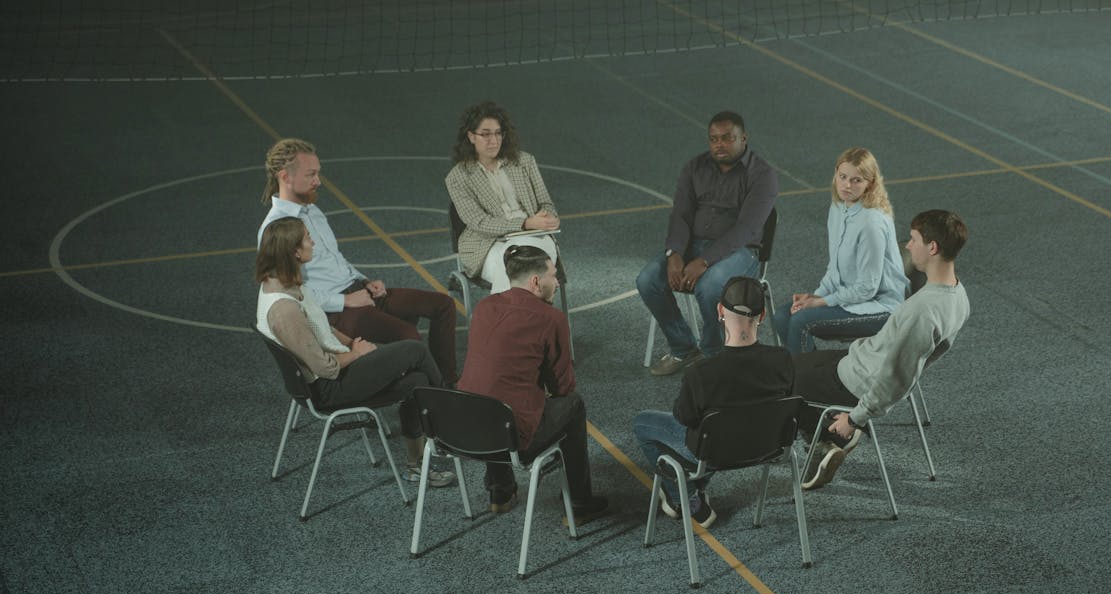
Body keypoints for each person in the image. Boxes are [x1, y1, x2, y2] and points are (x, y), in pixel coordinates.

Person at [255, 217, 454, 487]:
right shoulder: (284, 310)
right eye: (306, 238)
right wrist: (357, 353)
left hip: (335, 366)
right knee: (414, 350)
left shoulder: (286, 282)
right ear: (295, 252)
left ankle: (416, 466)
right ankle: (450, 419)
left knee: (416, 381)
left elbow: (318, 329)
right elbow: (325, 368)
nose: (312, 241)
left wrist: (346, 340)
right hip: (329, 386)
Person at [793, 209, 971, 491]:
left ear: (933, 247)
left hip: (858, 382)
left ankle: (829, 441)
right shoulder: (959, 295)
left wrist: (855, 418)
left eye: (913, 240)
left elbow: (896, 375)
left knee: (778, 384)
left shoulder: (924, 311)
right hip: (862, 361)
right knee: (794, 364)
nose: (908, 246)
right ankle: (827, 431)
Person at [258, 138, 458, 384]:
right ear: (285, 177)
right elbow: (290, 293)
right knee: (409, 337)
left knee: (443, 305)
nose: (318, 181)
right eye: (311, 174)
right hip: (336, 310)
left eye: (318, 173)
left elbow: (335, 259)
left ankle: (448, 385)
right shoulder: (276, 229)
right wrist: (346, 300)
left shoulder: (312, 210)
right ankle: (422, 405)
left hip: (359, 291)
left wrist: (365, 281)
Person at [457, 245, 608, 522]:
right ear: (536, 282)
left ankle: (500, 492)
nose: (558, 280)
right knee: (573, 405)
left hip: (461, 426)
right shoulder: (551, 319)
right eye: (553, 275)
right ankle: (579, 502)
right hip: (509, 435)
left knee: (490, 394)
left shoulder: (485, 306)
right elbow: (563, 387)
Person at [633, 276, 794, 528]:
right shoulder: (783, 360)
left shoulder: (701, 373)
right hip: (768, 447)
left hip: (715, 452)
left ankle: (685, 498)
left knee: (643, 423)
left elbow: (684, 418)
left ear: (719, 310)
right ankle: (695, 488)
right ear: (762, 316)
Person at [636, 111, 779, 375]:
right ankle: (683, 348)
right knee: (647, 280)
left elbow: (746, 230)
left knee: (711, 287)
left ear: (743, 139)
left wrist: (704, 261)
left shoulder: (762, 175)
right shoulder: (694, 167)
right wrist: (675, 254)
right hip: (693, 246)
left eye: (727, 138)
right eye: (713, 139)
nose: (719, 144)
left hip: (741, 252)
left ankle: (714, 355)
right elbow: (680, 214)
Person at [773, 147, 908, 354]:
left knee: (801, 321)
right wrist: (814, 297)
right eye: (843, 176)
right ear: (836, 174)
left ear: (870, 183)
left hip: (879, 307)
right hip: (849, 298)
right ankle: (812, 375)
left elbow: (867, 288)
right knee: (783, 316)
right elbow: (834, 269)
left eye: (857, 180)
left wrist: (821, 302)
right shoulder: (838, 208)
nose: (847, 185)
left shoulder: (871, 223)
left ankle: (803, 383)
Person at [445, 101, 561, 294]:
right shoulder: (457, 177)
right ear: (471, 136)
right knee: (513, 266)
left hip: (536, 236)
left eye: (498, 133)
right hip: (488, 244)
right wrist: (524, 223)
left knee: (519, 264)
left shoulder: (525, 162)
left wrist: (549, 218)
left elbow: (546, 203)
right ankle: (529, 321)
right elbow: (479, 222)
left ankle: (501, 321)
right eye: (486, 134)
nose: (494, 140)